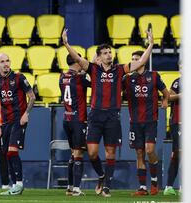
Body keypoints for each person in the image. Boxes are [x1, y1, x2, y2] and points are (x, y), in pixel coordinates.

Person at [61, 28, 154, 197]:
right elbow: (76, 58)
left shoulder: (120, 70)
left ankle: (107, 187)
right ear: (99, 56)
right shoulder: (93, 69)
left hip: (112, 116)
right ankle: (102, 176)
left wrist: (151, 44)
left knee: (110, 153)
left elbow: (140, 62)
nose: (109, 55)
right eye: (105, 53)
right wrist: (66, 44)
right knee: (92, 152)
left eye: (110, 52)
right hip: (95, 116)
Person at [123, 51, 169, 196]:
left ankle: (154, 183)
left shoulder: (154, 76)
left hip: (150, 120)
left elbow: (165, 92)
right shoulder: (127, 79)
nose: (134, 62)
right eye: (132, 60)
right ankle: (143, 188)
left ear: (143, 60)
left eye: (136, 59)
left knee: (149, 150)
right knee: (139, 153)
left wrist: (166, 100)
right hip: (135, 122)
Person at [0, 53, 36, 195]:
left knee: (12, 150)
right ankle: (15, 185)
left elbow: (32, 97)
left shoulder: (19, 78)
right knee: (6, 154)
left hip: (18, 119)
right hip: (5, 122)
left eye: (7, 61)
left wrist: (26, 113)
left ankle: (19, 184)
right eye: (2, 61)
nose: (5, 64)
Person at [59, 54, 90, 196]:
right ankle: (77, 189)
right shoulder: (80, 78)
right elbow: (94, 81)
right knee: (78, 154)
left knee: (73, 154)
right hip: (79, 119)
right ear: (77, 62)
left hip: (67, 118)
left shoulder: (62, 77)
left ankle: (70, 187)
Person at [163, 76, 181, 195]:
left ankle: (169, 186)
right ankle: (170, 186)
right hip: (179, 121)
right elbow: (168, 96)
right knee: (179, 152)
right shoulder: (178, 82)